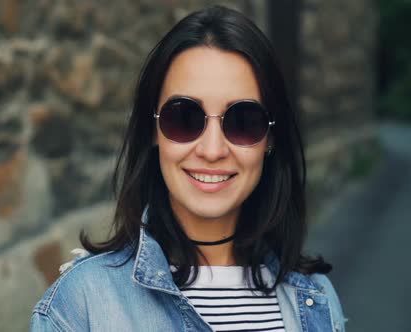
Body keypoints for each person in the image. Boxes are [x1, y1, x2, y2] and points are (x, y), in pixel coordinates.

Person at [31, 5, 346, 332]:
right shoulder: (81, 304)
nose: (212, 150)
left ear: (270, 139)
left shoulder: (316, 298)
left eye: (243, 121)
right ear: (153, 130)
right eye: (184, 118)